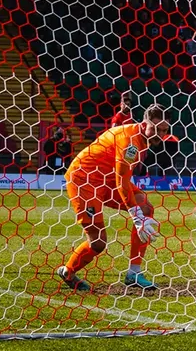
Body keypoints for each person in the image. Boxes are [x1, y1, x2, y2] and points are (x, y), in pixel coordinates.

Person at [56, 105, 169, 292]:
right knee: (98, 242)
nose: (161, 134)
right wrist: (136, 216)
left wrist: (140, 214)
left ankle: (134, 273)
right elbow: (122, 182)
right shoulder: (130, 142)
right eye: (156, 129)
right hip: (85, 180)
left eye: (164, 130)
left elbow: (120, 179)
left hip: (107, 179)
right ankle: (67, 272)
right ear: (144, 124)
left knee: (146, 208)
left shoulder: (142, 139)